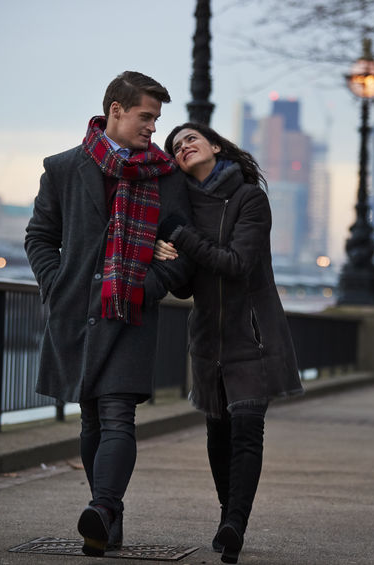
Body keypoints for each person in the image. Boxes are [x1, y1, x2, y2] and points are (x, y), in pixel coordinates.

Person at [24, 71, 195, 557]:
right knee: (92, 421)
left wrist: (149, 285)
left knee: (119, 416)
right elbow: (39, 237)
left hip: (130, 314)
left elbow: (181, 252)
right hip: (77, 313)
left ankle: (100, 508)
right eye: (146, 117)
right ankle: (108, 518)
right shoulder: (62, 168)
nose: (153, 129)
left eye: (156, 120)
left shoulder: (166, 178)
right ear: (115, 110)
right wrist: (57, 285)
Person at [154, 122, 304, 564]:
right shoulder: (182, 206)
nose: (183, 147)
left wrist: (180, 237)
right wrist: (167, 255)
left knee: (246, 432)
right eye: (176, 146)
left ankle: (236, 523)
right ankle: (227, 516)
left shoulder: (249, 199)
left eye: (191, 139)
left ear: (215, 146)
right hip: (207, 337)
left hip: (251, 333)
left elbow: (237, 264)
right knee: (217, 435)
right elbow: (185, 287)